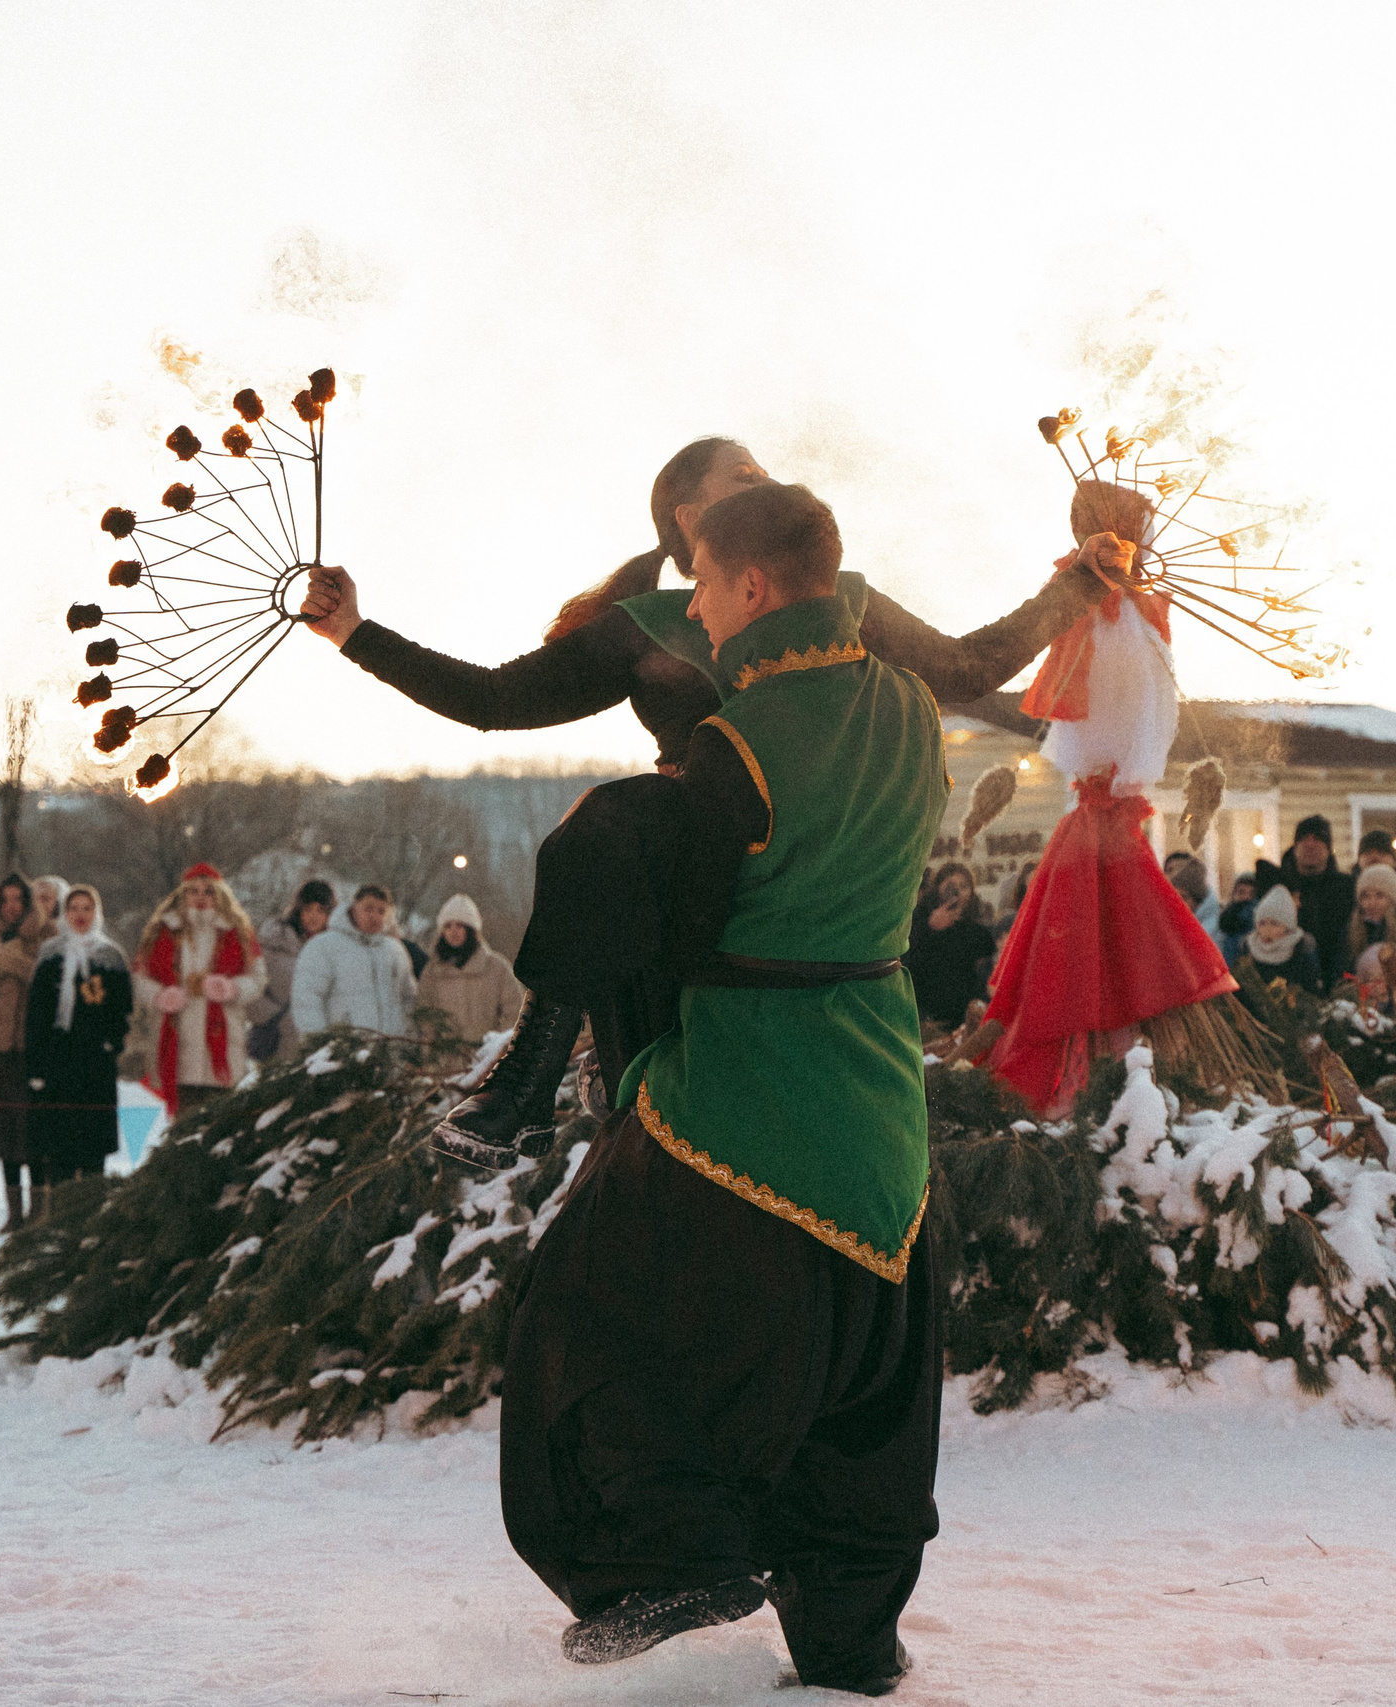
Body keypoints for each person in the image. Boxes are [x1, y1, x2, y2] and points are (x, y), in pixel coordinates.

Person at [488, 481, 942, 1694]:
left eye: (700, 582)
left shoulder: (733, 748)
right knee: (862, 1398)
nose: (692, 607)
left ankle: (667, 1562)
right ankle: (850, 1639)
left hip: (743, 1098)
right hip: (886, 1111)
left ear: (747, 587)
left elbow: (675, 935)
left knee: (585, 1316)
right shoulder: (907, 705)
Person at [299, 437, 1115, 775]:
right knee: (606, 827)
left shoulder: (840, 601)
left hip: (827, 845)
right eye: (744, 479)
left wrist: (1079, 582)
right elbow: (494, 700)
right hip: (699, 853)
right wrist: (355, 634)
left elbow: (967, 668)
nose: (769, 487)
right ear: (690, 519)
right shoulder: (641, 628)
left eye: (766, 478)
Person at [133, 861, 268, 1114]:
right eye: (194, 891)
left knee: (220, 1126)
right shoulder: (162, 930)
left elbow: (258, 978)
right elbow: (139, 979)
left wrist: (231, 988)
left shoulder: (238, 932)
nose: (201, 898)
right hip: (177, 1042)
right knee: (183, 1125)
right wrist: (160, 996)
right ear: (183, 894)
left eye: (208, 891)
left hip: (223, 1046)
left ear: (219, 894)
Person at [26, 883, 133, 1200]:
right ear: (64, 913)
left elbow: (123, 1010)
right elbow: (37, 1013)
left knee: (92, 1144)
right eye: (74, 908)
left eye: (87, 908)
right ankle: (57, 1215)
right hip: (57, 1059)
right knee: (58, 1145)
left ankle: (89, 1214)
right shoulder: (50, 954)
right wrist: (36, 1064)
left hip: (95, 1062)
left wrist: (113, 1043)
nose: (80, 915)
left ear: (96, 912)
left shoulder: (110, 956)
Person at [0, 872, 51, 1232]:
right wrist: (1, 959)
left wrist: (8, 959)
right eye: (6, 900)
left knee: (33, 1126)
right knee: (3, 1129)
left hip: (32, 1043)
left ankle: (39, 1209)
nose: (12, 906)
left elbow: (44, 981)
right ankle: (13, 1210)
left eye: (19, 899)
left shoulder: (47, 935)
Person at [291, 884, 417, 1038]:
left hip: (388, 1052)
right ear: (353, 908)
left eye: (381, 911)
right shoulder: (324, 946)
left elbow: (409, 1000)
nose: (374, 916)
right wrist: (318, 1044)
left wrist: (408, 1043)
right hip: (342, 1051)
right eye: (368, 909)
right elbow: (306, 999)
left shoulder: (395, 951)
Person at [414, 893, 525, 1047]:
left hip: (485, 1059)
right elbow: (425, 1016)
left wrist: (496, 1045)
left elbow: (516, 1011)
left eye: (459, 925)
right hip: (444, 1063)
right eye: (447, 926)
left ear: (471, 929)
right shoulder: (432, 972)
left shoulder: (496, 967)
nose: (453, 931)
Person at [248, 880, 335, 1063]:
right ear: (298, 909)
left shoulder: (336, 950)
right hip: (277, 1039)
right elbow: (252, 985)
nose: (313, 916)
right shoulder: (274, 941)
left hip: (320, 1045)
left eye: (321, 910)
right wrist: (272, 1016)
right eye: (308, 909)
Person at [904, 863, 997, 1030]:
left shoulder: (978, 931)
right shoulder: (919, 918)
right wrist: (931, 929)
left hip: (962, 1018)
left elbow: (983, 976)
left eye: (963, 886)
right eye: (950, 886)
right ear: (938, 887)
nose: (957, 893)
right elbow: (909, 963)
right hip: (926, 1016)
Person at [1273, 816, 1357, 984]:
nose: (1310, 845)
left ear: (1328, 848)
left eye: (1318, 839)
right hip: (1287, 980)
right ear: (1295, 846)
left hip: (1336, 977)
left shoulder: (1346, 887)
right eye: (1304, 839)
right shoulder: (1278, 887)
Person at [1238, 883, 1323, 989]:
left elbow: (1310, 986)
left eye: (1274, 923)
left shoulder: (1300, 948)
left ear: (1288, 926)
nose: (1267, 929)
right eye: (1262, 923)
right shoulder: (1248, 948)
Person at [1344, 861, 1396, 967]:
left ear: (1392, 900)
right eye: (1365, 896)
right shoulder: (1351, 930)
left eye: (1379, 895)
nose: (1372, 903)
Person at [1165, 854, 1220, 937]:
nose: (1178, 903)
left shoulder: (1212, 928)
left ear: (1196, 898)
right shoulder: (1185, 921)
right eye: (1173, 897)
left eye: (1183, 898)